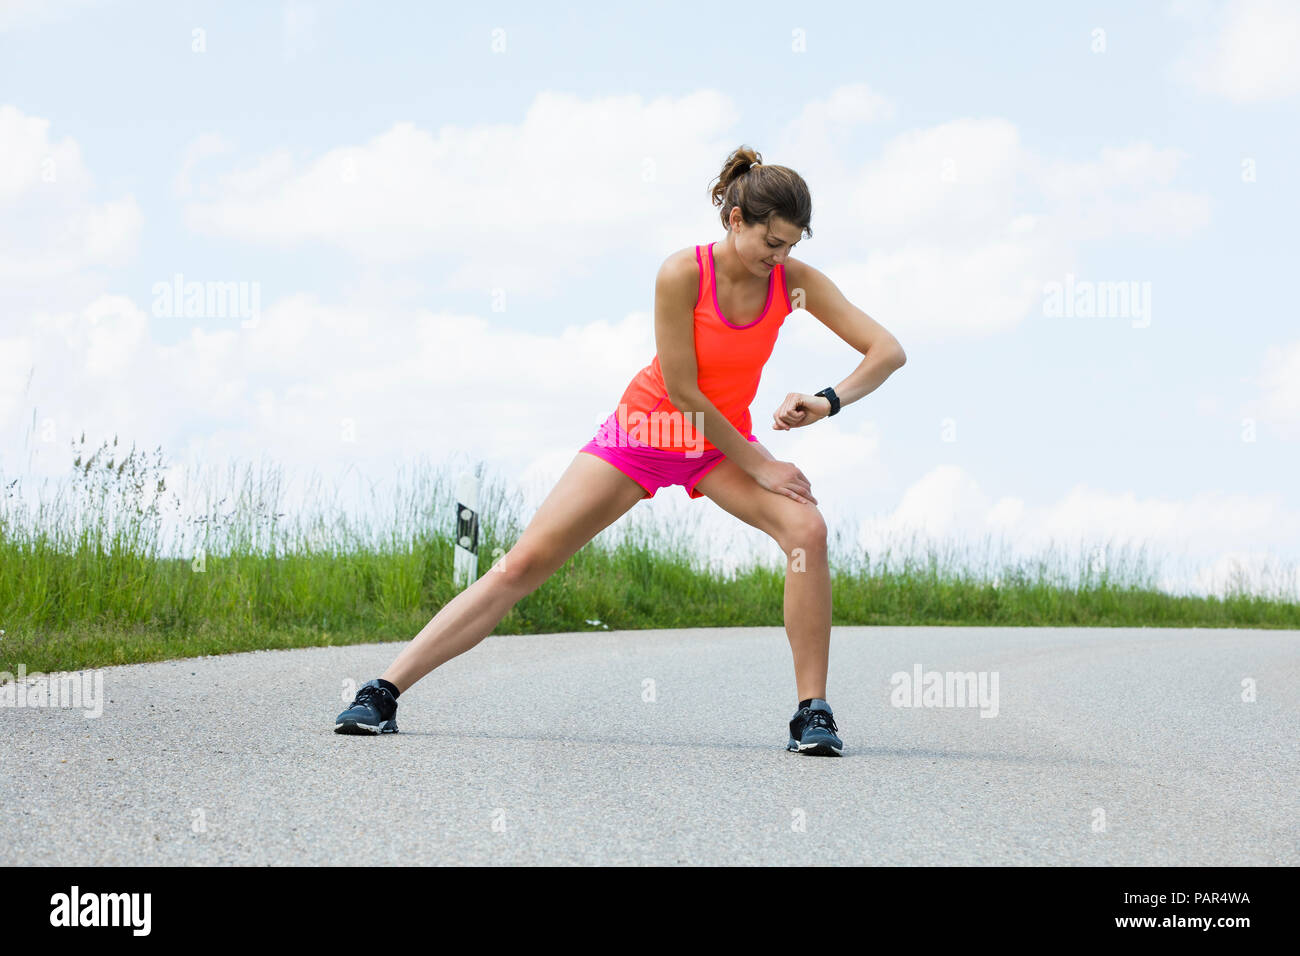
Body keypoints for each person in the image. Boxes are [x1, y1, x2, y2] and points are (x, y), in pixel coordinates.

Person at [335, 145, 907, 756]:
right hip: (648, 430)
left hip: (716, 446)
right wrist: (762, 463)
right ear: (736, 220)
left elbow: (886, 350)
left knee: (807, 531)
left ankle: (811, 713)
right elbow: (684, 393)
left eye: (792, 245)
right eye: (772, 241)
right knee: (524, 563)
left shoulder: (791, 284)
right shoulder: (683, 273)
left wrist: (827, 399)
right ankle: (383, 691)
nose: (780, 257)